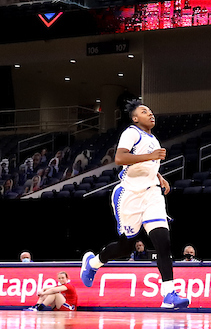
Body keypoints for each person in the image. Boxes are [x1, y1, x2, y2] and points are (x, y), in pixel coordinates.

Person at [81, 101, 189, 310]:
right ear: (135, 118)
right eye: (144, 111)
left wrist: (159, 176)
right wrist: (151, 156)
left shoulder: (153, 139)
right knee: (125, 247)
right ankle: (93, 263)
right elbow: (120, 158)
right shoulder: (131, 133)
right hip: (129, 196)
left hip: (151, 194)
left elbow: (146, 165)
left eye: (150, 111)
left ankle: (169, 294)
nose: (150, 114)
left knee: (163, 242)